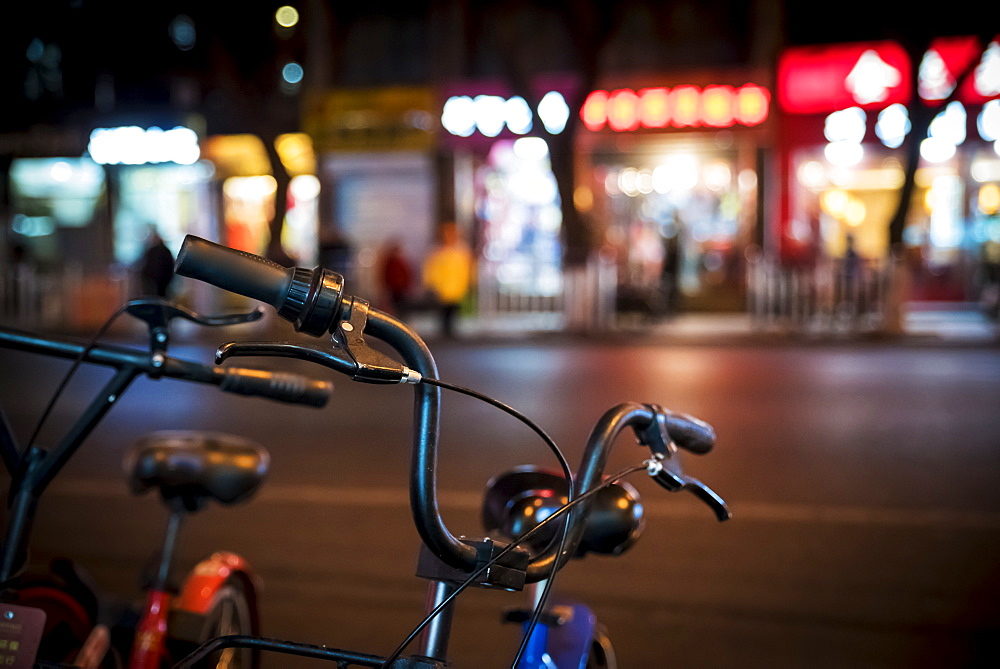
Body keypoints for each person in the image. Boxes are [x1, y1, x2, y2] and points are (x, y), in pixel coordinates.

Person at [422, 222, 473, 338]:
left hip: (456, 287)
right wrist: (430, 283)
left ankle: (450, 330)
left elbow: (466, 269)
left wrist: (467, 283)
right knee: (444, 311)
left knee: (453, 310)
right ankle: (445, 331)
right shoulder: (437, 251)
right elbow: (430, 269)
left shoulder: (462, 251)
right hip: (442, 287)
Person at [378, 239, 413, 319]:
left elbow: (407, 275)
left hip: (401, 289)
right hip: (393, 289)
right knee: (395, 307)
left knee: (402, 307)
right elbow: (386, 276)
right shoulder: (390, 263)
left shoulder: (401, 262)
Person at [140, 230, 174, 297]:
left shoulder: (151, 251)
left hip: (154, 283)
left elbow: (145, 266)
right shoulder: (165, 251)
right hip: (163, 283)